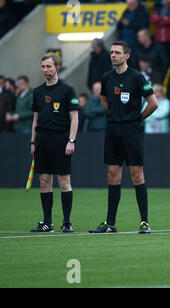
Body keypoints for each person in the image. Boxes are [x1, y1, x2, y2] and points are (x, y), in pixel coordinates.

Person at [89, 41, 158, 234]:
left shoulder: (137, 77)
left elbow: (153, 103)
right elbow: (104, 99)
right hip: (113, 130)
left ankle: (144, 222)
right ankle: (110, 223)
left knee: (137, 175)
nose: (113, 55)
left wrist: (137, 119)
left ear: (126, 56)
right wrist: (114, 114)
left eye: (117, 53)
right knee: (112, 175)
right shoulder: (106, 77)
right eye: (111, 52)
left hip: (131, 130)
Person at [30, 53, 80, 233]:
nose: (45, 70)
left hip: (61, 139)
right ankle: (47, 223)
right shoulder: (37, 91)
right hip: (42, 140)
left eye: (49, 66)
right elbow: (35, 119)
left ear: (57, 68)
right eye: (43, 67)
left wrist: (71, 141)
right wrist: (33, 141)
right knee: (44, 182)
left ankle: (67, 222)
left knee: (64, 182)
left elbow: (74, 118)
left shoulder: (67, 90)